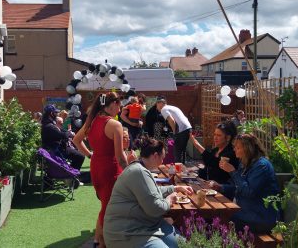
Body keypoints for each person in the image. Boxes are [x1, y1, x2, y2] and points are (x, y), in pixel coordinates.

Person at [104, 136, 193, 248]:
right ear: (155, 156)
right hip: (126, 233)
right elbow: (155, 209)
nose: (162, 162)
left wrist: (174, 188)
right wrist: (169, 200)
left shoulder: (139, 168)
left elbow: (151, 192)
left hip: (146, 224)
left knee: (182, 245)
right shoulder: (139, 172)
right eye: (162, 158)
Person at [73, 92, 137, 248]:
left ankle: (100, 241)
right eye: (119, 104)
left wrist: (90, 155)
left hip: (96, 168)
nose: (121, 107)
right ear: (113, 104)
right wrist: (132, 173)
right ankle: (103, 243)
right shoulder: (115, 125)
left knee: (105, 204)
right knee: (108, 209)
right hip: (110, 169)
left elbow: (76, 140)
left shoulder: (92, 121)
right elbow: (120, 156)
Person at [210, 133, 280, 233]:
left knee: (220, 219)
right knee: (217, 216)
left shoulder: (262, 166)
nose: (234, 150)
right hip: (249, 212)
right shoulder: (246, 163)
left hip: (261, 217)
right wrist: (221, 187)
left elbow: (249, 191)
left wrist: (232, 171)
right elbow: (239, 187)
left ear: (248, 149)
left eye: (238, 147)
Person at [41, 104, 85, 171]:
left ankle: (69, 173)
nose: (57, 114)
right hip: (57, 150)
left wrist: (68, 133)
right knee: (80, 156)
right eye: (55, 113)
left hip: (58, 148)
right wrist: (69, 133)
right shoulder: (49, 126)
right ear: (51, 113)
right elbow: (62, 135)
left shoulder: (48, 124)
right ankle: (70, 175)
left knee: (78, 155)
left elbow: (62, 131)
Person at [155, 97, 192, 164]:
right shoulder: (173, 107)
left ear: (160, 103)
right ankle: (182, 169)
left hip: (181, 130)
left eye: (156, 105)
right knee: (182, 151)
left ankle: (178, 171)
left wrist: (175, 132)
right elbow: (184, 118)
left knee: (177, 152)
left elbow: (171, 120)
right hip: (188, 128)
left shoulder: (163, 109)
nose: (156, 107)